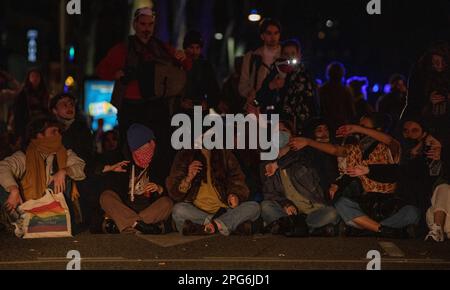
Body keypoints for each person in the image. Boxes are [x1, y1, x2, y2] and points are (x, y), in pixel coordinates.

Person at [289, 114, 420, 238]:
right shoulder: (354, 148)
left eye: (364, 127)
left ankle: (369, 230)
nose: (359, 131)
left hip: (386, 203)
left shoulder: (389, 148)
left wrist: (357, 128)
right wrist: (308, 142)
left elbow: (390, 141)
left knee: (413, 212)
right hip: (364, 203)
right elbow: (335, 150)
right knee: (340, 203)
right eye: (359, 126)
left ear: (378, 130)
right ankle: (381, 230)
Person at [96, 7, 186, 173]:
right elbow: (102, 69)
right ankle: (130, 183)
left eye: (150, 24)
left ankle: (156, 183)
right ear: (135, 25)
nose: (146, 28)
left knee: (161, 147)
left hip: (157, 105)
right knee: (129, 148)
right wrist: (116, 73)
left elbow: (184, 66)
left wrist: (182, 57)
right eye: (143, 24)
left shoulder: (162, 48)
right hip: (131, 107)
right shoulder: (123, 49)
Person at [0, 117, 86, 232]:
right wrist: (13, 189)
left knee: (63, 178)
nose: (59, 135)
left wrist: (64, 171)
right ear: (39, 135)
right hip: (29, 208)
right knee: (4, 184)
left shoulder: (65, 153)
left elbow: (80, 167)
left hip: (56, 211)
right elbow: (4, 167)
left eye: (59, 132)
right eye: (53, 132)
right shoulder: (25, 156)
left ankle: (48, 224)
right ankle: (18, 222)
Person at [261, 121, 340, 236]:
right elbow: (270, 193)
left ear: (292, 136)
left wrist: (277, 164)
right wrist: (285, 204)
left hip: (311, 209)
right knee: (266, 206)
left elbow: (296, 155)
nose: (279, 134)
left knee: (332, 213)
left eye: (283, 131)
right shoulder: (266, 164)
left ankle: (291, 228)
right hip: (289, 212)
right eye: (276, 132)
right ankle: (305, 229)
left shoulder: (305, 154)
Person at [167, 147, 260, 236]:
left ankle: (207, 227)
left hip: (224, 209)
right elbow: (174, 191)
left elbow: (237, 180)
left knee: (254, 207)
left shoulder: (224, 153)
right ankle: (223, 225)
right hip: (197, 211)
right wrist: (188, 179)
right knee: (178, 210)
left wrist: (235, 195)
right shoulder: (185, 155)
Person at [99, 124, 173, 234]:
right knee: (105, 196)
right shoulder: (123, 164)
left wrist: (159, 189)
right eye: (139, 149)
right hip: (125, 209)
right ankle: (140, 226)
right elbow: (112, 191)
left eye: (147, 146)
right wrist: (111, 170)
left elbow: (172, 192)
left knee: (167, 203)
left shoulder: (161, 164)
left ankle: (127, 226)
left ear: (152, 143)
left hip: (149, 211)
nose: (144, 152)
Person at [256, 39, 317, 134]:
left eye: (293, 53)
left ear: (299, 55)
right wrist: (270, 86)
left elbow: (313, 100)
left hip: (302, 124)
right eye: (286, 54)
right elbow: (259, 98)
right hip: (277, 123)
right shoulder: (275, 71)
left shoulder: (306, 74)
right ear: (281, 55)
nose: (289, 57)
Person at [239, 18, 281, 114]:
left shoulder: (285, 55)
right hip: (258, 107)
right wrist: (250, 93)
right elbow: (243, 84)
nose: (273, 37)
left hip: (280, 106)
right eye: (269, 33)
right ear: (262, 36)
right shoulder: (251, 56)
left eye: (276, 33)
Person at [179, 30, 220, 114]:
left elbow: (214, 90)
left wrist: (207, 103)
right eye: (191, 47)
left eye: (197, 48)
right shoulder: (178, 64)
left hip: (200, 111)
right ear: (185, 48)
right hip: (181, 111)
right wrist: (180, 102)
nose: (194, 52)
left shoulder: (205, 66)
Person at [13, 68, 50, 143]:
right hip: (27, 125)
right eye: (32, 76)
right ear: (29, 78)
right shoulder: (23, 94)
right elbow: (18, 113)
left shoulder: (44, 93)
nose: (35, 78)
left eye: (37, 76)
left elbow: (47, 109)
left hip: (42, 125)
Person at [319, 62, 355, 131]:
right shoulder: (345, 90)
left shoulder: (322, 90)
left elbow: (320, 108)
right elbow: (351, 111)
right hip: (342, 124)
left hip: (326, 124)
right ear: (342, 74)